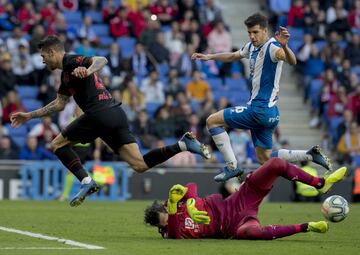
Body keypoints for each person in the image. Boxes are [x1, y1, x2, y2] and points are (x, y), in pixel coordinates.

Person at [10, 35, 211, 207]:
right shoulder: (65, 77)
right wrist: (29, 116)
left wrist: (88, 70)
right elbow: (59, 104)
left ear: (53, 52)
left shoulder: (72, 61)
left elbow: (101, 59)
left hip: (99, 114)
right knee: (139, 165)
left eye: (44, 56)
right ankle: (183, 144)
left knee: (56, 144)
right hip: (115, 113)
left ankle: (87, 181)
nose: (43, 60)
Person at [191, 13, 332, 182]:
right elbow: (234, 55)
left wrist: (285, 47)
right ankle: (309, 155)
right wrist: (209, 56)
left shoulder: (273, 48)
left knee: (212, 121)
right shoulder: (251, 47)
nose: (252, 36)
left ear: (265, 31)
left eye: (255, 32)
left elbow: (292, 61)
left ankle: (232, 166)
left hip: (259, 110)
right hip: (271, 114)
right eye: (249, 32)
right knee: (264, 159)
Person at [144, 158, 347, 239]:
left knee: (276, 164)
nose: (170, 219)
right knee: (252, 233)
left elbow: (191, 186)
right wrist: (172, 210)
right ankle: (307, 226)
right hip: (231, 227)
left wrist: (188, 200)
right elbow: (173, 232)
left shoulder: (174, 201)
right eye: (165, 221)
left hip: (236, 201)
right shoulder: (169, 232)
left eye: (166, 213)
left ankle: (320, 183)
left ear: (163, 206)